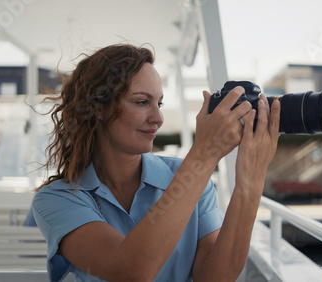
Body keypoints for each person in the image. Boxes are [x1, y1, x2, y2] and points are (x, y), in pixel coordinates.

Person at [32, 43, 280, 282]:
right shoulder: (58, 199)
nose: (158, 118)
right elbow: (132, 270)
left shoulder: (192, 180)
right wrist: (205, 153)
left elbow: (216, 277)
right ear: (99, 107)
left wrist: (250, 181)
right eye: (142, 102)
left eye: (159, 103)